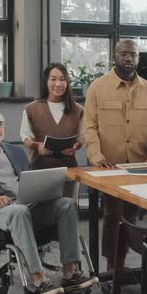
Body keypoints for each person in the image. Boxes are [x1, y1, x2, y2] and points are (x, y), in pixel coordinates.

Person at [0, 110, 96, 294]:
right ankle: (38, 277)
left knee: (66, 204)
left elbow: (29, 180)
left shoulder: (16, 151)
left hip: (29, 203)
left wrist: (43, 189)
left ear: (4, 128)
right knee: (19, 211)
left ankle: (70, 271)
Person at [83, 39, 147, 270]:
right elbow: (89, 126)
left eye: (134, 55)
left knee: (130, 217)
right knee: (113, 216)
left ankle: (121, 262)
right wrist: (96, 156)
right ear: (114, 56)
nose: (129, 59)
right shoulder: (97, 87)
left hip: (139, 165)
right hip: (109, 166)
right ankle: (112, 266)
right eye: (124, 54)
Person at [20, 63, 84, 199]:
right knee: (41, 212)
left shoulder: (78, 110)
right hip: (40, 169)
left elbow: (81, 139)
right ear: (46, 82)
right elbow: (25, 138)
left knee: (68, 209)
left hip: (69, 170)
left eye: (62, 79)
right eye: (53, 79)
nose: (58, 84)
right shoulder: (31, 109)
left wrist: (75, 147)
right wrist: (38, 146)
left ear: (67, 82)